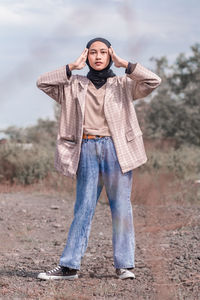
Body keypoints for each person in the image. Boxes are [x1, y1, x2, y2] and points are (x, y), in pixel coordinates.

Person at [36, 37, 161, 280]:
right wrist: (71, 67)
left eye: (104, 52)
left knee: (122, 208)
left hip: (117, 150)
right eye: (93, 52)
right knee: (83, 208)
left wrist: (125, 63)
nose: (98, 56)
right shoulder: (73, 85)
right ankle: (69, 267)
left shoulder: (123, 84)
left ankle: (124, 265)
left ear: (110, 55)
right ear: (87, 56)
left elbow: (153, 81)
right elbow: (42, 82)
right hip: (86, 148)